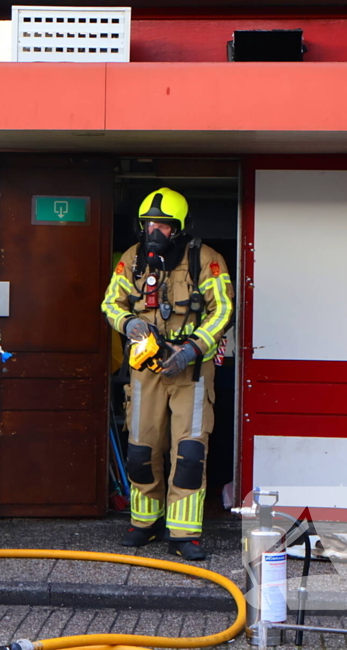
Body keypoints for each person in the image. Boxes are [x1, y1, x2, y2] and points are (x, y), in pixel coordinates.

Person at [101, 188, 234, 561]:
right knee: (140, 450)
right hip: (145, 370)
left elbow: (223, 310)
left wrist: (192, 349)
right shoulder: (133, 260)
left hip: (191, 371)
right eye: (148, 224)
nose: (154, 231)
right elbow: (111, 302)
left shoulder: (206, 260)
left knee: (189, 454)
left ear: (179, 228)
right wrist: (129, 324)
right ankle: (144, 523)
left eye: (162, 225)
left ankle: (184, 533)